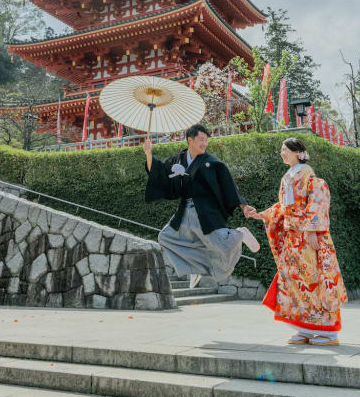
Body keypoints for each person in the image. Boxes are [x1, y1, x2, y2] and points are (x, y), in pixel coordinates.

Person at [244, 137, 347, 345]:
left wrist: (312, 230)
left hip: (307, 237)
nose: (282, 153)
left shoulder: (310, 176)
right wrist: (263, 215)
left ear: (298, 153)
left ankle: (328, 332)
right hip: (292, 238)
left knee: (315, 279)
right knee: (295, 281)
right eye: (281, 149)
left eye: (285, 150)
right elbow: (283, 207)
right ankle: (304, 329)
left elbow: (318, 201)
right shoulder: (287, 177)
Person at [143, 124, 261, 288]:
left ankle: (239, 234)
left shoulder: (211, 162)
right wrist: (148, 153)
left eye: (206, 140)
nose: (205, 144)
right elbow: (159, 173)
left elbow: (228, 184)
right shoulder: (178, 160)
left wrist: (243, 205)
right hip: (185, 211)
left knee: (224, 245)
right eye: (201, 140)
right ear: (190, 140)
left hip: (205, 211)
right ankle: (196, 268)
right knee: (165, 237)